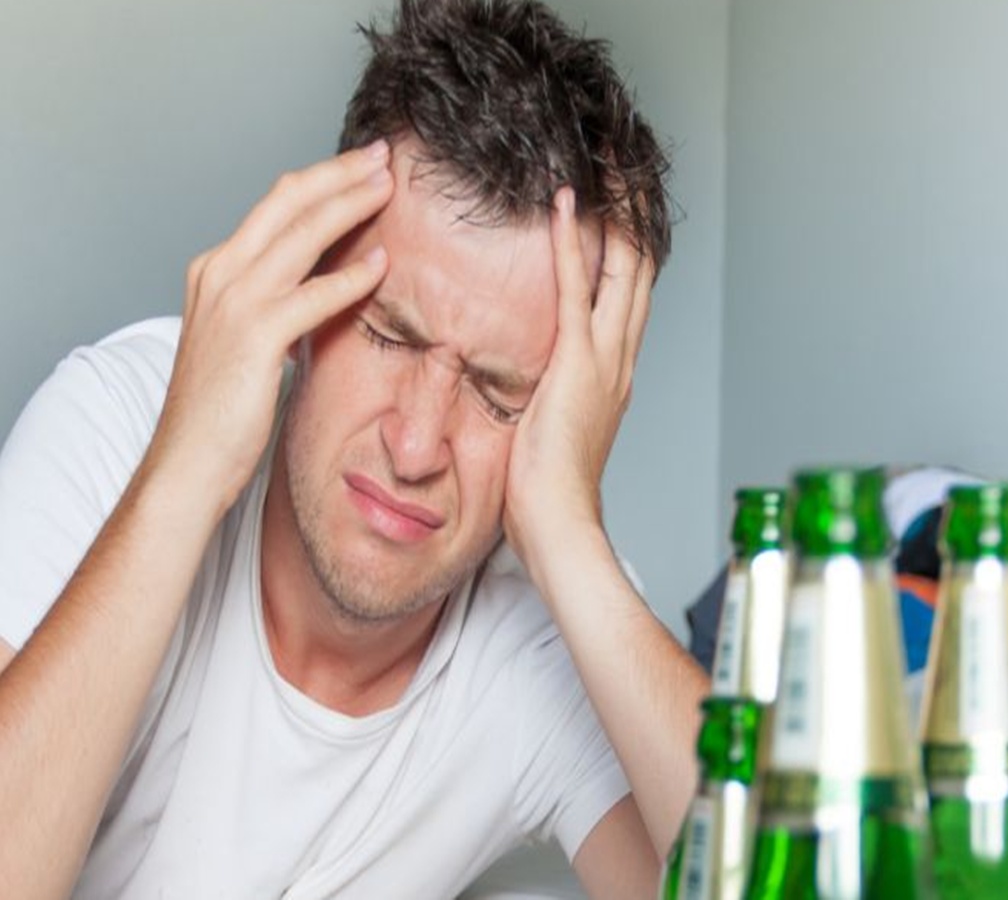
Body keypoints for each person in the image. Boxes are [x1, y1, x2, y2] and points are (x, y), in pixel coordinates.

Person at [0, 1, 708, 897]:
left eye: (498, 393)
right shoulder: (124, 419)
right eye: (387, 334)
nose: (415, 446)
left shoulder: (550, 629)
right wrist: (182, 478)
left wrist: (571, 537)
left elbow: (790, 876)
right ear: (307, 288)